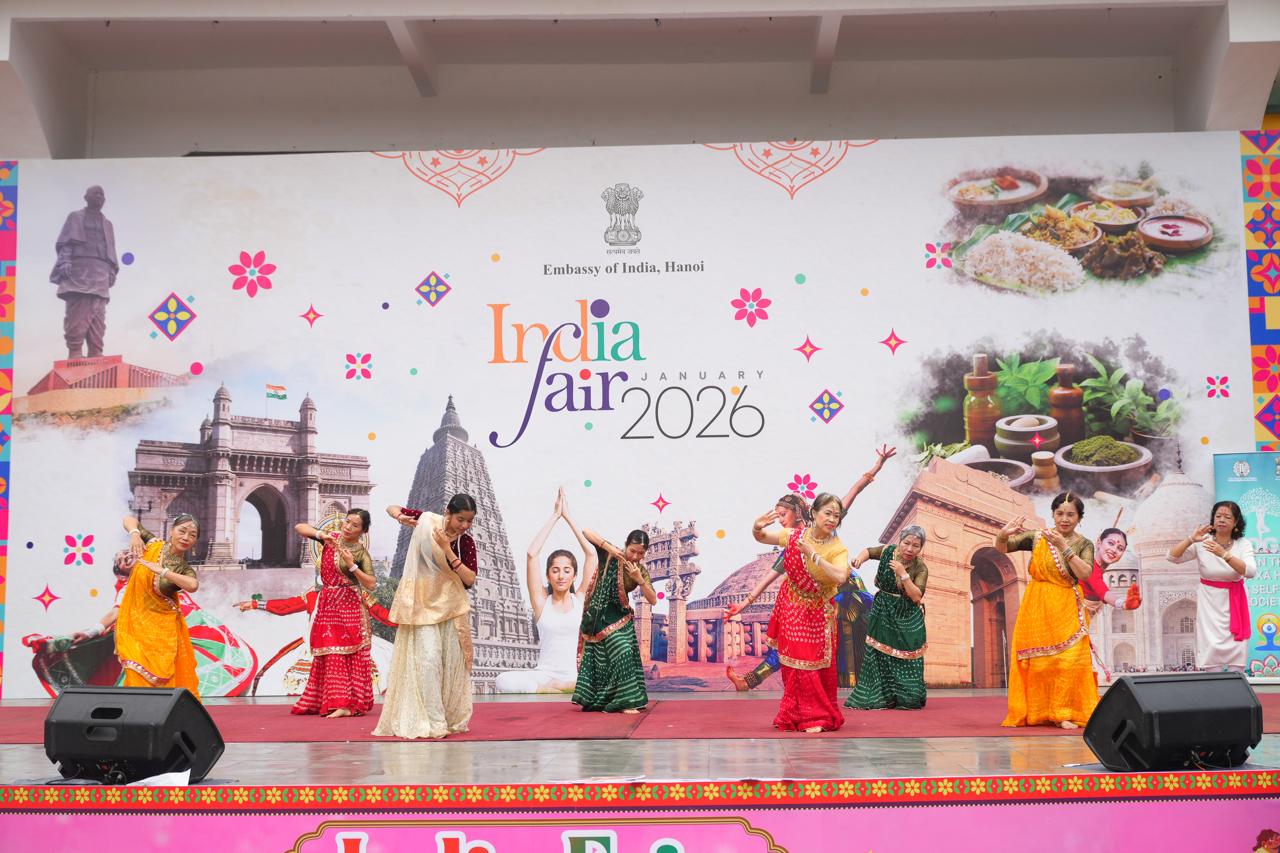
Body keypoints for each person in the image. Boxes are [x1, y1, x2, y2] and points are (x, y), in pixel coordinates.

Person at [724, 444, 895, 690]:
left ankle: (874, 686)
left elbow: (853, 492)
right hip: (812, 601)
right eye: (777, 515)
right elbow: (772, 574)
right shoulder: (792, 540)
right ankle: (750, 681)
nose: (779, 519)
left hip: (841, 595)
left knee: (839, 648)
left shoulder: (826, 523)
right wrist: (744, 604)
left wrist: (877, 467)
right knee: (788, 643)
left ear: (799, 513)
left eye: (782, 514)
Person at [373, 495, 478, 738]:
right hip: (421, 604)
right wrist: (400, 517)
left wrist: (446, 549)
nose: (464, 525)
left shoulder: (465, 542)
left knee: (450, 664)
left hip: (450, 607)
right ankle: (433, 721)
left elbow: (469, 579)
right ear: (447, 513)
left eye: (469, 521)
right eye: (460, 519)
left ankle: (449, 717)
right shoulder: (427, 521)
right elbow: (391, 507)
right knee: (428, 661)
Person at [997, 492, 1097, 729]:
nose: (1064, 519)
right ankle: (1040, 712)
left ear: (1079, 517)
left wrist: (1064, 547)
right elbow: (1003, 548)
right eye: (1059, 513)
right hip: (1038, 605)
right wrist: (1002, 535)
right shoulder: (1038, 537)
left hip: (1067, 605)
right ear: (1053, 514)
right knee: (1041, 663)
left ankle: (1064, 712)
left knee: (1069, 661)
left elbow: (1085, 573)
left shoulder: (1084, 544)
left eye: (1070, 514)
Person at [753, 493, 849, 732]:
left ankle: (817, 716)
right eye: (827, 513)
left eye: (836, 516)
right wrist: (756, 527)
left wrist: (813, 555)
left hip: (819, 611)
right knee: (794, 664)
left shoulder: (837, 548)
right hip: (793, 606)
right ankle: (793, 713)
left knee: (814, 664)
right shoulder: (794, 536)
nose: (832, 519)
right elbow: (762, 537)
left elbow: (840, 576)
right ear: (814, 513)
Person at [495, 488, 596, 693]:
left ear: (574, 575)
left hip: (576, 674)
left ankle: (562, 687)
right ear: (548, 575)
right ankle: (546, 688)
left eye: (566, 571)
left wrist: (567, 516)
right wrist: (555, 516)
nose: (561, 576)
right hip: (544, 675)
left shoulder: (580, 600)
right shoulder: (542, 602)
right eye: (555, 570)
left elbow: (592, 554)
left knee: (606, 679)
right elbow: (532, 554)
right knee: (502, 680)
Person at [285, 509, 378, 718]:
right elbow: (299, 527)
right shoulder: (331, 539)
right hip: (328, 604)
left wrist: (352, 565)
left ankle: (346, 704)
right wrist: (321, 535)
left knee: (347, 653)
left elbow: (371, 584)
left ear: (363, 531)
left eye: (355, 525)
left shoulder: (361, 553)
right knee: (329, 651)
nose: (348, 527)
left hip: (350, 606)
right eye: (347, 521)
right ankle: (326, 701)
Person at [115, 513, 202, 699]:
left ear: (195, 542)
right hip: (135, 626)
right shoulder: (154, 544)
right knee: (135, 671)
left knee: (163, 678)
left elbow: (193, 585)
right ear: (171, 531)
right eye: (182, 531)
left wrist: (163, 571)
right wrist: (135, 534)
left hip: (162, 633)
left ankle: (160, 712)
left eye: (192, 535)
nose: (186, 537)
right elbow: (128, 519)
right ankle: (138, 713)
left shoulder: (182, 567)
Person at [572, 527, 657, 713]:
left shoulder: (640, 571)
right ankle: (612, 700)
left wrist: (640, 580)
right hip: (599, 618)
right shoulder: (611, 556)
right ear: (626, 545)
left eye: (640, 553)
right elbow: (586, 531)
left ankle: (626, 701)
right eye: (632, 550)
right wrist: (608, 548)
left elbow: (653, 599)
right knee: (617, 652)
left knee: (625, 652)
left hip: (620, 618)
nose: (635, 556)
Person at [845, 525, 929, 710]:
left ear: (921, 548)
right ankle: (882, 695)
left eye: (915, 546)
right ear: (900, 541)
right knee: (879, 654)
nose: (909, 549)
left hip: (906, 616)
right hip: (882, 610)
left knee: (906, 658)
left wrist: (903, 574)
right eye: (906, 543)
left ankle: (905, 696)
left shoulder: (920, 567)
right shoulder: (888, 551)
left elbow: (916, 596)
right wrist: (859, 560)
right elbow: (869, 551)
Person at [1167, 501, 1258, 672]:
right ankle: (1214, 685)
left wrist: (1223, 554)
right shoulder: (1203, 542)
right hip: (1209, 604)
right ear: (1213, 519)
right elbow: (1172, 557)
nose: (1221, 520)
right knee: (1211, 652)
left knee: (1236, 653)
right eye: (1218, 516)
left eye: (1227, 517)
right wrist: (1190, 539)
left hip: (1235, 603)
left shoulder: (1242, 544)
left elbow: (1250, 571)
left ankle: (1236, 685)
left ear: (1236, 522)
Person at [50, 185, 119, 359]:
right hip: (79, 269)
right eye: (96, 193)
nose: (100, 197)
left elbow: (111, 249)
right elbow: (66, 243)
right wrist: (65, 261)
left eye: (102, 194)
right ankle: (75, 350)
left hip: (101, 271)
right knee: (78, 311)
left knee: (98, 312)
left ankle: (96, 351)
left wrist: (111, 270)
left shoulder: (108, 224)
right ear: (86, 197)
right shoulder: (75, 217)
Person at [1078, 527, 1141, 683]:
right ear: (1099, 542)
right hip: (1069, 622)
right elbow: (1103, 592)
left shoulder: (1097, 568)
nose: (1114, 550)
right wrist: (1123, 604)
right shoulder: (1090, 566)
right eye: (1111, 543)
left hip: (1077, 625)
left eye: (1120, 548)